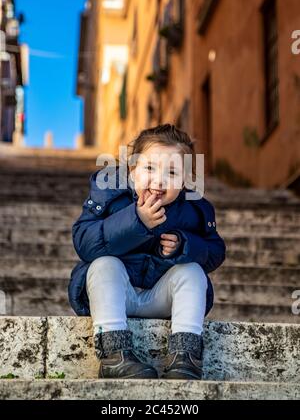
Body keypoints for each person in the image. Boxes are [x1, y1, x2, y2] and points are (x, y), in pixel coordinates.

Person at [68, 123, 226, 380]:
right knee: (103, 265)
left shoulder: (195, 210)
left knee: (193, 272)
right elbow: (84, 242)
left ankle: (185, 356)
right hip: (117, 294)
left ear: (185, 180)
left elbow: (216, 251)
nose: (159, 180)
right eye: (149, 168)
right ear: (132, 171)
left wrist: (185, 245)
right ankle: (114, 355)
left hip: (161, 298)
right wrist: (135, 221)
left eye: (172, 172)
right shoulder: (110, 195)